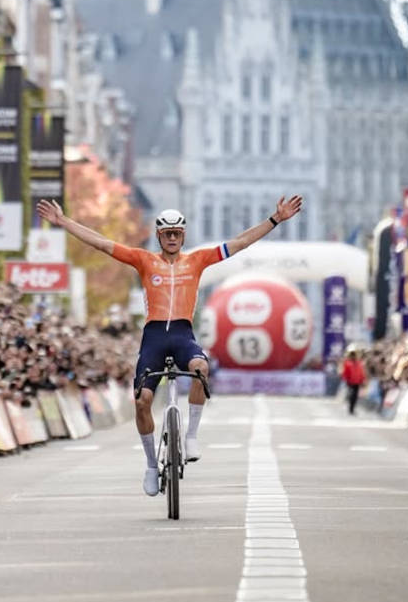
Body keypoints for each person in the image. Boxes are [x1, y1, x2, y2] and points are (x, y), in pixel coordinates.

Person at [37, 195, 303, 496]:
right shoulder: (143, 260)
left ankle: (191, 436)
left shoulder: (198, 260)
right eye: (167, 234)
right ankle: (152, 464)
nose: (173, 238)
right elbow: (101, 243)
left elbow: (239, 243)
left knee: (200, 367)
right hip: (153, 337)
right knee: (142, 402)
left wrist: (275, 219)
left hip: (182, 335)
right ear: (159, 236)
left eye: (178, 233)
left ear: (184, 235)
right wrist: (63, 222)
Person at [341, 348, 366, 415]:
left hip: (357, 382)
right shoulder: (348, 363)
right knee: (352, 395)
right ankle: (350, 408)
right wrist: (346, 379)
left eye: (354, 355)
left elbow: (361, 372)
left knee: (355, 396)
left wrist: (362, 380)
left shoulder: (359, 363)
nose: (354, 357)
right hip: (350, 382)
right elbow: (345, 373)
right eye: (352, 355)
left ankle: (352, 408)